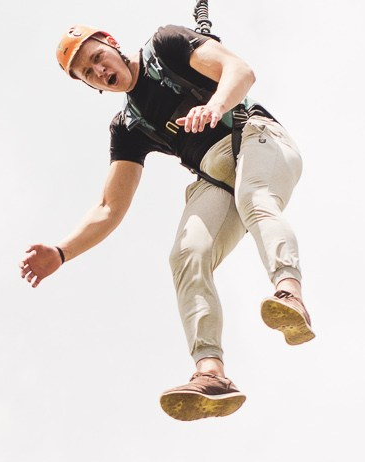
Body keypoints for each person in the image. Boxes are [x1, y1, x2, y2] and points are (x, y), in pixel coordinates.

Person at [20, 22, 313, 420]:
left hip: (256, 139)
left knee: (255, 198)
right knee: (187, 254)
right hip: (215, 174)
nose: (100, 72)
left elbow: (240, 71)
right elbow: (110, 208)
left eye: (96, 58)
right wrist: (61, 251)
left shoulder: (166, 46)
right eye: (89, 74)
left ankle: (289, 292)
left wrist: (216, 105)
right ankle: (211, 373)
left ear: (110, 42)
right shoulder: (128, 127)